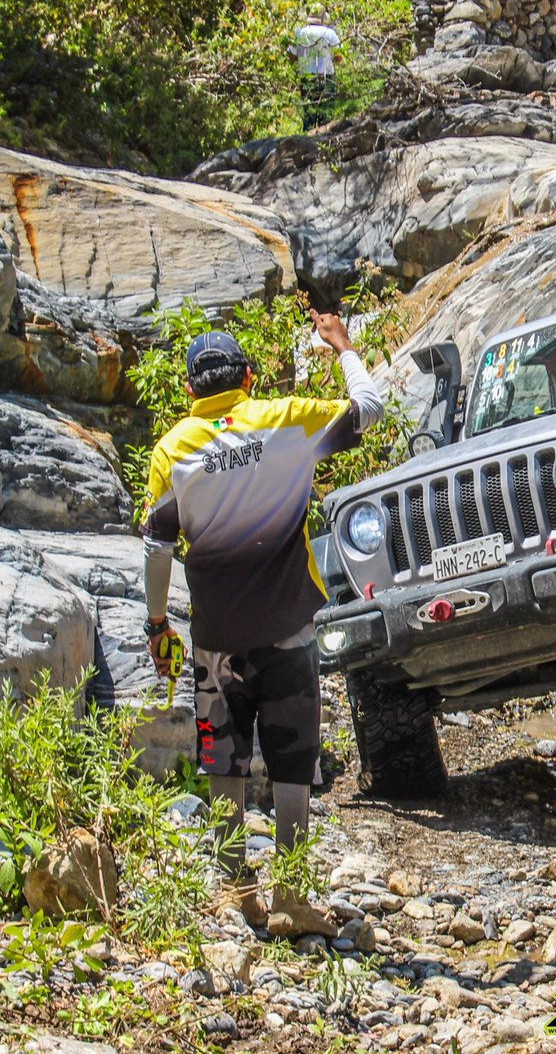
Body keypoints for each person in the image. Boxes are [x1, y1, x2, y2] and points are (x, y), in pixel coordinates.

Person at [140, 314, 384, 936]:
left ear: (191, 391)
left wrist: (157, 621)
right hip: (288, 629)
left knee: (223, 761)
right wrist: (344, 349)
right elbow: (370, 408)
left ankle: (236, 893)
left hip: (217, 637)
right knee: (291, 763)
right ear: (249, 378)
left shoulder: (174, 448)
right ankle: (293, 898)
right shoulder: (286, 421)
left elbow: (157, 548)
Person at [290, 5, 342, 130]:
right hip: (326, 78)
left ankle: (306, 144)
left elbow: (292, 57)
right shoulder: (330, 33)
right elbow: (339, 57)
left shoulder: (299, 33)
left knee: (308, 115)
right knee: (327, 117)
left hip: (307, 78)